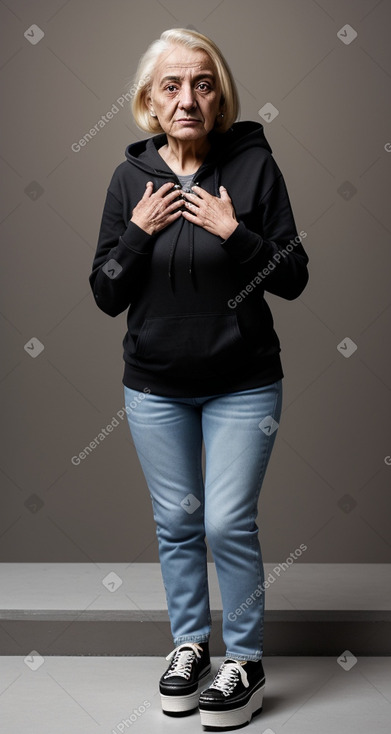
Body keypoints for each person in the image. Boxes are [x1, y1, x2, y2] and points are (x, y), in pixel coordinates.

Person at [89, 27, 309, 730]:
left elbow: (295, 278)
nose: (188, 98)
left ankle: (242, 662)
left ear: (219, 98)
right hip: (154, 387)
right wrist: (137, 232)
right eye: (172, 86)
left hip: (243, 383)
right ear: (150, 103)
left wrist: (233, 232)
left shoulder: (252, 172)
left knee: (226, 522)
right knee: (177, 524)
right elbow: (106, 291)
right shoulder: (130, 181)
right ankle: (189, 647)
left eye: (203, 83)